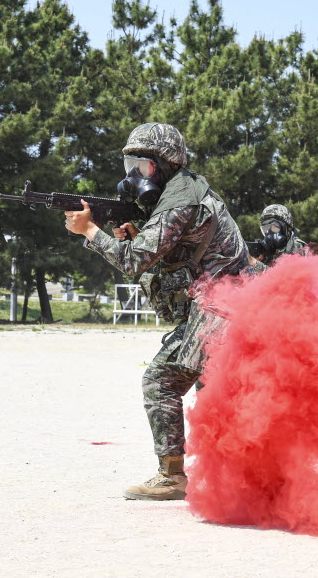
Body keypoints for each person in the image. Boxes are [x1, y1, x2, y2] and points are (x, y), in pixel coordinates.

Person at [64, 122, 249, 501]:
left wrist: (89, 232)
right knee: (216, 387)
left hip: (223, 307)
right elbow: (162, 250)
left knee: (161, 380)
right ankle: (248, 472)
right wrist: (134, 234)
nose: (133, 175)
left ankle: (172, 477)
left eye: (141, 165)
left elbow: (134, 262)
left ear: (163, 166)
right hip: (234, 302)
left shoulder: (180, 198)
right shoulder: (184, 190)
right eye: (129, 164)